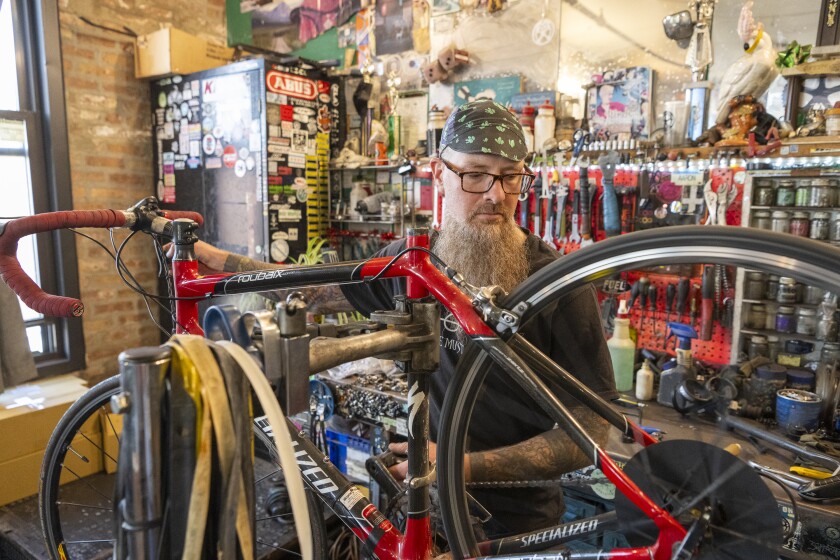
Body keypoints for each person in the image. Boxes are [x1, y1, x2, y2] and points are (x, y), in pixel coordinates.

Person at [192, 99, 618, 537]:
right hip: (431, 509)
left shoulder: (557, 284)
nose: (496, 194)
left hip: (517, 526)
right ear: (438, 174)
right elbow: (316, 291)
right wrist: (222, 262)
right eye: (475, 174)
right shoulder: (413, 264)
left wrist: (460, 465)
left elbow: (588, 432)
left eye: (511, 177)